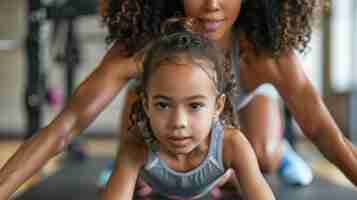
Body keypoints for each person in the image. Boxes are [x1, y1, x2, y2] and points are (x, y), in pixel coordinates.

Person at [1, 0, 357, 199]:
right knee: (148, 127)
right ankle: (165, 156)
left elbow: (325, 133)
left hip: (244, 104)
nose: (212, 5)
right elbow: (66, 126)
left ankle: (275, 155)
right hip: (164, 108)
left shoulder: (263, 53)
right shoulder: (142, 47)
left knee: (259, 153)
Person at [101, 26, 275, 200]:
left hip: (218, 177)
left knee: (239, 174)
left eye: (194, 106)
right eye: (163, 105)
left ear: (217, 107)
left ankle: (279, 157)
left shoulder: (232, 145)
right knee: (135, 184)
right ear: (146, 105)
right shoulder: (136, 144)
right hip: (155, 183)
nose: (179, 122)